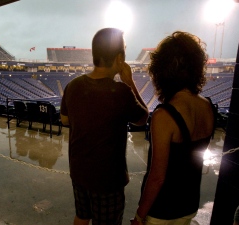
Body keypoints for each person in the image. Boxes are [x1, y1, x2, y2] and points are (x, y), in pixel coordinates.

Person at [60, 27, 149, 225]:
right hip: (108, 179)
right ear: (119, 58)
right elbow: (143, 117)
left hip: (78, 170)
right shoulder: (121, 91)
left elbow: (65, 120)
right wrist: (130, 82)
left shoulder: (72, 86)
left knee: (82, 216)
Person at [131, 31, 217, 225]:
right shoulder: (208, 106)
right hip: (189, 205)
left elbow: (157, 177)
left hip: (163, 210)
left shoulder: (164, 116)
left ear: (162, 71)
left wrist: (139, 215)